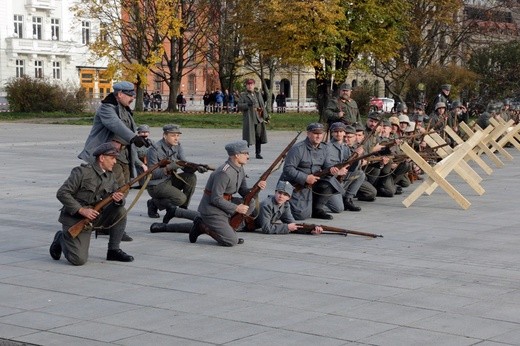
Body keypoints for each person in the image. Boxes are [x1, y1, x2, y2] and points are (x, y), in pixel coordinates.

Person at [78, 81, 149, 242]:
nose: (132, 98)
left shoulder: (124, 109)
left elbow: (130, 130)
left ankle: (110, 224)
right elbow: (115, 125)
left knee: (121, 192)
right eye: (130, 95)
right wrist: (133, 137)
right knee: (113, 192)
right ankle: (110, 226)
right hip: (107, 158)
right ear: (120, 94)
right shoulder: (106, 108)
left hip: (122, 157)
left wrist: (141, 140)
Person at [49, 143, 134, 265]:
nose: (115, 162)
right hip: (76, 218)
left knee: (120, 211)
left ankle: (113, 250)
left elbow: (119, 199)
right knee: (78, 260)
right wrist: (81, 210)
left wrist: (119, 200)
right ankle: (61, 238)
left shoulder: (110, 176)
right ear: (102, 158)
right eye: (112, 158)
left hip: (95, 217)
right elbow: (62, 193)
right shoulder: (82, 172)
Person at [189, 140, 266, 246]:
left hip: (225, 203)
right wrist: (236, 208)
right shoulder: (224, 173)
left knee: (251, 203)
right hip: (212, 209)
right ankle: (201, 226)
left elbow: (243, 191)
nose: (248, 156)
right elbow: (215, 198)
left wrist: (257, 188)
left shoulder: (240, 168)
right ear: (237, 155)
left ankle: (230, 229)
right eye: (245, 153)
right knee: (231, 241)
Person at [280, 122, 342, 220]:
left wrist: (332, 169)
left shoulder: (324, 148)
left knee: (330, 182)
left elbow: (327, 165)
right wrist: (305, 178)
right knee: (300, 216)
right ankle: (283, 203)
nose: (318, 136)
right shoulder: (298, 149)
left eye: (320, 133)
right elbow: (288, 169)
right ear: (308, 134)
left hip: (314, 181)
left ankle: (316, 209)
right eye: (315, 133)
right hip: (296, 184)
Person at [146, 124, 206, 223]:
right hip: (156, 184)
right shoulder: (154, 150)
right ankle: (154, 203)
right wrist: (168, 168)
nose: (176, 138)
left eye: (178, 135)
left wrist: (196, 167)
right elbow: (152, 174)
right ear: (165, 135)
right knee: (180, 198)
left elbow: (184, 164)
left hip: (170, 179)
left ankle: (182, 209)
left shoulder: (178, 146)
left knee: (191, 177)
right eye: (173, 135)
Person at [254, 181, 322, 234]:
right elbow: (266, 229)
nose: (281, 196)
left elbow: (292, 224)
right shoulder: (267, 205)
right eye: (279, 193)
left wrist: (311, 229)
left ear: (289, 197)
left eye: (285, 194)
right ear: (275, 192)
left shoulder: (285, 205)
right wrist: (287, 227)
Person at [325, 123, 365, 213]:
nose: (338, 134)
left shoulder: (345, 147)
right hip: (329, 180)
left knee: (360, 174)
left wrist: (357, 157)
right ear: (331, 133)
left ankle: (348, 199)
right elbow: (325, 166)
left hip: (340, 179)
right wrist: (337, 171)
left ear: (344, 133)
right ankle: (321, 199)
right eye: (336, 132)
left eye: (341, 131)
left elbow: (352, 169)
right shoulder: (327, 147)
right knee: (338, 209)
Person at [237, 79, 270, 159]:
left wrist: (266, 117)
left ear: (254, 85)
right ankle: (246, 154)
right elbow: (239, 106)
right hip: (249, 119)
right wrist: (247, 104)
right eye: (248, 84)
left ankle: (258, 153)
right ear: (246, 86)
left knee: (258, 136)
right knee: (247, 137)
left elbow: (262, 106)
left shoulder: (258, 94)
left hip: (258, 118)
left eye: (251, 84)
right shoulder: (243, 95)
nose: (250, 86)